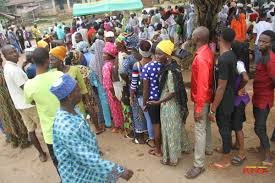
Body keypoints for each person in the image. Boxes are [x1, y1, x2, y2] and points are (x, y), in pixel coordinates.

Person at [50, 74, 133, 182]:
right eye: (77, 90)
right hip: (78, 176)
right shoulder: (66, 127)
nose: (80, 92)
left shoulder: (73, 110)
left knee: (107, 178)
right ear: (70, 96)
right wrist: (119, 171)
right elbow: (87, 158)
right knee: (111, 175)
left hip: (89, 168)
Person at [148, 40, 191, 166]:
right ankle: (183, 148)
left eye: (160, 54)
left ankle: (171, 159)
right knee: (176, 129)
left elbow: (172, 92)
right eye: (156, 54)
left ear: (167, 55)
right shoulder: (173, 65)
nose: (157, 57)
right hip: (173, 104)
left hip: (169, 105)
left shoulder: (170, 71)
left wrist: (158, 102)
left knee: (169, 132)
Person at [2, 45, 47, 161]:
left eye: (15, 51)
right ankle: (52, 151)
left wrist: (22, 66)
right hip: (29, 104)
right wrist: (36, 100)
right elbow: (25, 88)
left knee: (30, 130)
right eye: (11, 53)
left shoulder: (8, 67)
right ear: (5, 56)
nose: (16, 54)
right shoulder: (13, 70)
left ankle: (41, 154)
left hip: (20, 104)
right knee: (43, 128)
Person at [24, 48, 64, 174]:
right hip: (68, 127)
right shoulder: (59, 75)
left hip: (51, 133)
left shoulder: (29, 85)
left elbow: (31, 102)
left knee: (60, 165)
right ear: (48, 60)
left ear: (33, 61)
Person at [185, 26, 214, 178]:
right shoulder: (207, 52)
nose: (191, 37)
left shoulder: (201, 57)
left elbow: (202, 85)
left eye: (193, 35)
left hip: (201, 98)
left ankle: (199, 164)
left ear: (197, 39)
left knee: (200, 129)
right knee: (206, 125)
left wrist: (198, 109)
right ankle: (208, 149)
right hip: (207, 97)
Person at [208, 28, 237, 169]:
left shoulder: (225, 60)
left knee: (224, 128)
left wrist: (213, 108)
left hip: (224, 99)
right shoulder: (230, 55)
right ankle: (225, 149)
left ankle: (226, 159)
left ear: (221, 39)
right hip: (229, 96)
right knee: (225, 126)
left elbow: (221, 87)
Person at [249, 30, 275, 166]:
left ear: (271, 44)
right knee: (260, 125)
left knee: (259, 127)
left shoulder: (270, 60)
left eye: (265, 42)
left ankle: (268, 155)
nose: (261, 43)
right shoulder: (262, 56)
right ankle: (261, 147)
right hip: (258, 96)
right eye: (260, 40)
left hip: (264, 99)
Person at [142, 41, 168, 157]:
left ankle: (158, 150)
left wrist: (144, 103)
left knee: (156, 126)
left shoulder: (147, 67)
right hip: (165, 99)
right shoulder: (167, 65)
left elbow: (145, 89)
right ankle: (166, 149)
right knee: (164, 125)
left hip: (153, 100)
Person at [49, 46, 91, 116]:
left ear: (60, 60)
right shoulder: (51, 74)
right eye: (49, 60)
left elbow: (83, 89)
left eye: (52, 60)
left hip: (78, 107)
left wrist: (88, 105)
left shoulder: (74, 70)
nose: (50, 62)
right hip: (64, 111)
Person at [0, 52, 29, 148]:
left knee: (7, 119)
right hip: (8, 99)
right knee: (16, 118)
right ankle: (23, 140)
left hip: (3, 101)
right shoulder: (3, 71)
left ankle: (13, 139)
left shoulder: (4, 70)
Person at [130, 40, 154, 146]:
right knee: (154, 117)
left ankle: (152, 138)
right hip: (155, 93)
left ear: (140, 51)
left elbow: (134, 83)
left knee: (148, 117)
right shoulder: (154, 62)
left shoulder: (137, 65)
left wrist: (131, 95)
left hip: (141, 95)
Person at [230, 41, 250, 166]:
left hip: (238, 100)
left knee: (237, 126)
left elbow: (246, 78)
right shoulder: (240, 61)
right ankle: (237, 145)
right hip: (238, 100)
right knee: (236, 123)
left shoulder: (238, 63)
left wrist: (240, 88)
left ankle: (242, 152)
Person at [102, 42, 124, 132]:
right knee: (119, 107)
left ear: (110, 55)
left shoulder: (107, 66)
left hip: (111, 90)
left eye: (105, 54)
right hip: (117, 88)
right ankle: (121, 124)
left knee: (114, 108)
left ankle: (118, 126)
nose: (103, 55)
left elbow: (108, 82)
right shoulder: (114, 63)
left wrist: (113, 93)